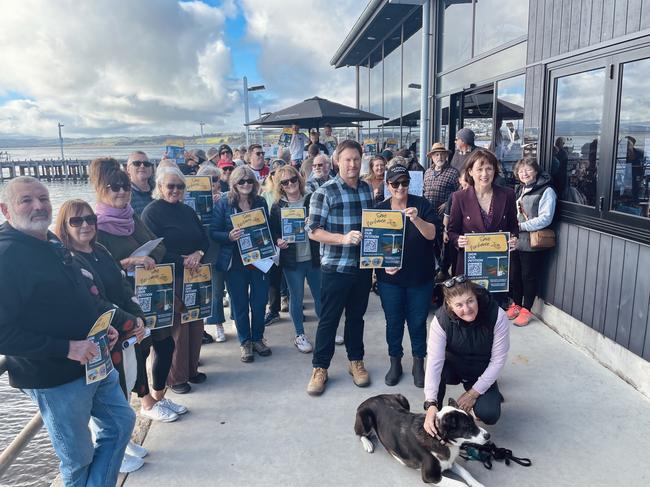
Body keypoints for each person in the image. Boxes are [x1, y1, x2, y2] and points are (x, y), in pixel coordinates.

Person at [0, 176, 135, 487]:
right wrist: (66, 348)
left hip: (94, 360)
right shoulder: (7, 257)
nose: (38, 206)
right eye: (27, 200)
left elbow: (80, 293)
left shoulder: (49, 241)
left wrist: (104, 328)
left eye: (44, 199)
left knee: (121, 423)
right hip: (55, 376)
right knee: (77, 460)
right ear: (6, 209)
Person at [53, 199, 149, 473]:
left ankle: (126, 442)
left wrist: (138, 314)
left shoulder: (102, 250)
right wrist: (132, 320)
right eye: (76, 221)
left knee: (126, 384)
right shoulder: (70, 260)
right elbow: (97, 302)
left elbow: (123, 284)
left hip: (125, 332)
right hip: (103, 336)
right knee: (107, 400)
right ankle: (112, 452)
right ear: (64, 225)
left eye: (89, 219)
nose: (85, 225)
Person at [90, 158, 185, 420]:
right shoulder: (96, 225)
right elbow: (98, 268)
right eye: (114, 187)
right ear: (102, 190)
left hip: (153, 290)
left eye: (125, 187)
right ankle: (146, 403)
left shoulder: (132, 215)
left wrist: (148, 256)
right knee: (139, 349)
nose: (121, 192)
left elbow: (158, 245)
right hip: (126, 296)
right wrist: (129, 262)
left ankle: (159, 395)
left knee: (165, 345)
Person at [306, 139, 374, 396]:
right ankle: (320, 368)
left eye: (356, 159)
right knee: (329, 320)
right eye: (347, 159)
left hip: (363, 267)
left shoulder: (366, 189)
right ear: (337, 161)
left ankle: (355, 361)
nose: (353, 164)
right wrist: (343, 238)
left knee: (356, 318)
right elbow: (313, 231)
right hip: (335, 267)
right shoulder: (324, 191)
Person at [142, 166, 210, 394]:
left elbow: (204, 237)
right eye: (170, 186)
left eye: (180, 186)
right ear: (160, 187)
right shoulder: (152, 212)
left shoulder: (187, 211)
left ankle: (191, 369)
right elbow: (154, 249)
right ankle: (175, 377)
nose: (175, 190)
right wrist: (183, 260)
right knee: (177, 329)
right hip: (169, 277)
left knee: (195, 324)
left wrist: (199, 253)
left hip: (195, 275)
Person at [375, 166, 437, 388]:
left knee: (418, 322)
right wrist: (383, 266)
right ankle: (395, 362)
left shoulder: (422, 205)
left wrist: (417, 219)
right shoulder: (380, 209)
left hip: (420, 277)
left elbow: (432, 234)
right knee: (393, 322)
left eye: (404, 183)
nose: (400, 187)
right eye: (395, 184)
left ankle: (418, 363)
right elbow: (375, 246)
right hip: (390, 280)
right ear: (388, 186)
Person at [423, 276, 509, 434]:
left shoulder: (497, 315)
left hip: (481, 369)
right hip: (452, 367)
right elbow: (434, 362)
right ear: (450, 305)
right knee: (437, 371)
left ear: (476, 297)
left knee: (489, 414)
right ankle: (438, 413)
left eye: (470, 301)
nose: (467, 309)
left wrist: (474, 393)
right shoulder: (440, 320)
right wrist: (430, 403)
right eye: (459, 305)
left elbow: (498, 360)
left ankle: (487, 391)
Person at [210, 166, 272, 362]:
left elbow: (268, 228)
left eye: (249, 181)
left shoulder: (260, 201)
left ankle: (258, 338)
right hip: (235, 262)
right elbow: (213, 231)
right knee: (239, 304)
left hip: (259, 260)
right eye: (241, 182)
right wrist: (228, 236)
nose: (246, 185)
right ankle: (245, 342)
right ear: (234, 184)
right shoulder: (224, 203)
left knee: (260, 301)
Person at [269, 166, 321, 353]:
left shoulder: (311, 199)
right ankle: (300, 334)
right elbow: (273, 230)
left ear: (299, 179)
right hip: (292, 260)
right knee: (296, 297)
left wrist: (313, 223)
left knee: (320, 296)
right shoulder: (277, 206)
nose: (290, 184)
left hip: (313, 257)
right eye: (285, 182)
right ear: (280, 186)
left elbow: (323, 221)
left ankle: (326, 330)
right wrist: (278, 240)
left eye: (293, 179)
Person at [447, 149, 518, 279]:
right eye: (479, 169)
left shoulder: (508, 195)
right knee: (472, 298)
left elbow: (514, 225)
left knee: (496, 299)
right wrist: (458, 240)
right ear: (470, 172)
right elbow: (452, 231)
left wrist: (514, 238)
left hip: (498, 264)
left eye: (489, 169)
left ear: (494, 171)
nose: (484, 174)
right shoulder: (459, 197)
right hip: (470, 264)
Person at [508, 157, 557, 326]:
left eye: (528, 170)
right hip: (516, 240)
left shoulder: (546, 190)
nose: (524, 173)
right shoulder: (520, 189)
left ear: (536, 170)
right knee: (515, 274)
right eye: (521, 171)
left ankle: (526, 309)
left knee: (528, 276)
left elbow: (546, 218)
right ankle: (516, 304)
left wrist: (521, 226)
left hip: (532, 241)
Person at [196, 165, 228, 343]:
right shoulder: (191, 200)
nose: (213, 184)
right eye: (208, 180)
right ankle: (207, 327)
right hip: (200, 253)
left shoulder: (224, 198)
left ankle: (220, 324)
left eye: (216, 179)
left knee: (219, 291)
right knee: (204, 292)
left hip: (220, 250)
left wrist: (218, 205)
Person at [423, 142, 460, 280]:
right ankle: (439, 269)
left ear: (446, 156)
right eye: (436, 154)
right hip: (429, 215)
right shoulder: (427, 172)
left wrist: (447, 204)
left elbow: (459, 192)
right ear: (432, 157)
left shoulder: (453, 172)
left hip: (445, 215)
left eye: (442, 154)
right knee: (432, 243)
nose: (439, 157)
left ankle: (444, 270)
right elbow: (424, 191)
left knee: (444, 243)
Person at [126, 151, 155, 215]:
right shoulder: (124, 194)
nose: (142, 166)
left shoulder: (159, 190)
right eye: (137, 163)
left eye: (146, 164)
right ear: (128, 169)